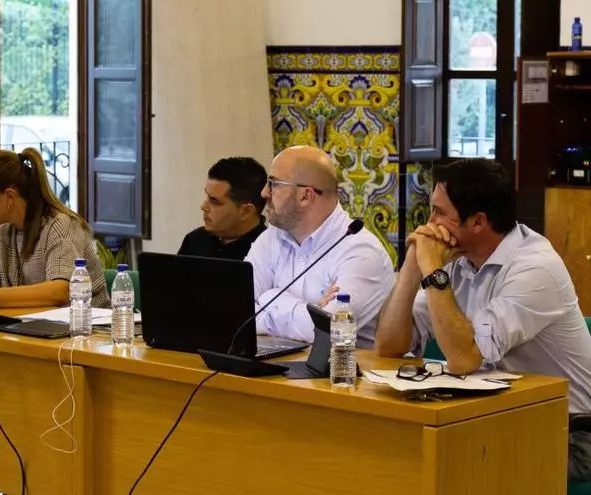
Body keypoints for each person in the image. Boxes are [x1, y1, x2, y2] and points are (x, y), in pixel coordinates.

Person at [374, 158, 591, 483]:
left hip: (572, 432)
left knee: (455, 470)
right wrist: (411, 268)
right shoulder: (454, 259)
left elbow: (464, 359)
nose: (429, 223)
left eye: (439, 213)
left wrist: (431, 270)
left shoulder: (535, 268)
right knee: (398, 452)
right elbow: (388, 347)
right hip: (496, 418)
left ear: (478, 222)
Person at [245, 145, 394, 347]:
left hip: (348, 366)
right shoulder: (272, 237)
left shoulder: (361, 252)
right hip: (283, 364)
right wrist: (310, 310)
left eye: (274, 184)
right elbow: (236, 312)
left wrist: (269, 298)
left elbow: (328, 331)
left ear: (306, 196)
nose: (264, 193)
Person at [0, 147, 109, 309]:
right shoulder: (4, 231)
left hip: (87, 323)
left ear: (10, 196)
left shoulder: (60, 226)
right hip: (32, 323)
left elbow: (61, 291)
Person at [177, 156, 267, 260]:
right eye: (207, 196)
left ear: (246, 211)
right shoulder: (195, 240)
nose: (203, 207)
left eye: (214, 201)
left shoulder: (269, 252)